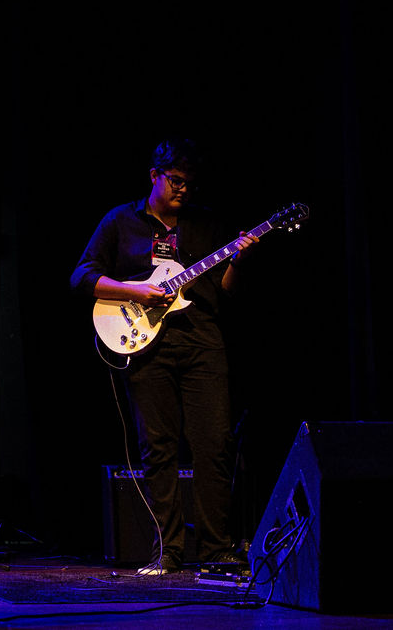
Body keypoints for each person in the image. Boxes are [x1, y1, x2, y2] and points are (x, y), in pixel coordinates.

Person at [70, 138, 256, 575]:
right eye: (175, 180)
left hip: (202, 341)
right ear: (154, 176)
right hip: (146, 344)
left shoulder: (206, 224)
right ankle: (167, 551)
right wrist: (133, 291)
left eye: (190, 183)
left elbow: (227, 291)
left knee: (214, 444)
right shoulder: (121, 221)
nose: (183, 189)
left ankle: (215, 549)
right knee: (157, 447)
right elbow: (81, 276)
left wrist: (239, 262)